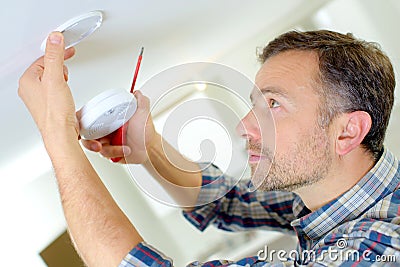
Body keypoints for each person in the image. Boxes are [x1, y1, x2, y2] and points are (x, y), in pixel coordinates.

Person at [18, 29, 400, 266]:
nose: (245, 126)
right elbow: (226, 202)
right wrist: (147, 145)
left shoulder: (378, 248)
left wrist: (57, 135)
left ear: (348, 132)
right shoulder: (331, 191)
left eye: (273, 105)